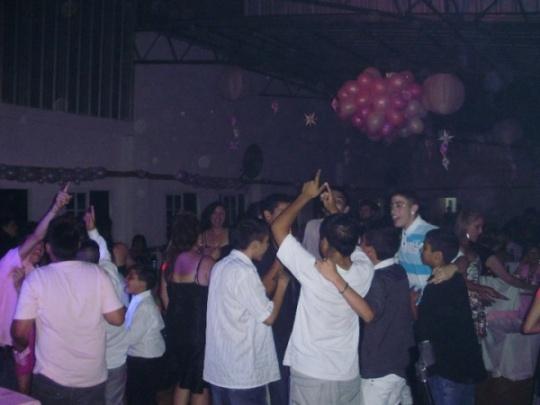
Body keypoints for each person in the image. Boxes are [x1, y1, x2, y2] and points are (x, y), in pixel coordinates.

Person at [271, 171, 374, 405]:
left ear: (324, 243)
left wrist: (305, 196)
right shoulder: (364, 269)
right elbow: (348, 237)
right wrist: (335, 211)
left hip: (313, 373)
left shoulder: (314, 271)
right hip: (347, 374)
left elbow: (278, 228)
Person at [11, 214, 125, 405]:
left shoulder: (37, 278)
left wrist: (22, 348)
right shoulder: (98, 274)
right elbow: (117, 319)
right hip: (91, 378)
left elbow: (19, 332)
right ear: (78, 245)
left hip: (51, 378)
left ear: (48, 248)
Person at [204, 218, 289, 405]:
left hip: (222, 366)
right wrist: (282, 285)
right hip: (242, 370)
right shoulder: (244, 271)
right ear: (255, 244)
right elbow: (268, 317)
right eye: (266, 242)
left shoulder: (220, 265)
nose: (267, 247)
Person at [0, 186, 71, 393]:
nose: (38, 249)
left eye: (41, 247)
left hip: (27, 345)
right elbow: (38, 235)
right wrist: (55, 208)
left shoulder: (38, 273)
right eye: (35, 245)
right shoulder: (10, 263)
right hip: (5, 347)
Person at [417, 229, 486, 405]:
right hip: (464, 363)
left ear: (437, 256)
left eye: (425, 247)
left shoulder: (436, 285)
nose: (421, 250)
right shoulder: (456, 279)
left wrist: (412, 303)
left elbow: (426, 327)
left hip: (446, 367)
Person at [160, 212, 214, 405]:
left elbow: (165, 300)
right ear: (196, 234)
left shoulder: (168, 264)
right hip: (199, 333)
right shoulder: (205, 262)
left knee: (183, 380)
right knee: (199, 384)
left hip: (176, 331)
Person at [359, 227, 415, 405]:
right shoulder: (399, 271)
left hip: (379, 368)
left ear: (370, 250)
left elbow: (370, 314)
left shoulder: (378, 279)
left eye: (361, 244)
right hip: (397, 362)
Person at [81, 206, 130, 405]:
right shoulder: (108, 267)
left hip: (107, 355)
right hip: (110, 354)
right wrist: (92, 229)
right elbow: (102, 251)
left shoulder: (87, 282)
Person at [256, 193, 297, 405]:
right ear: (267, 216)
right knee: (279, 387)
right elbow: (260, 292)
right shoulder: (260, 248)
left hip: (295, 327)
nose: (289, 216)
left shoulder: (296, 245)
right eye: (282, 212)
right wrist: (282, 256)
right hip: (273, 328)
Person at [125, 265, 166, 405]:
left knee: (141, 398)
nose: (126, 280)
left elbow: (130, 338)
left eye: (131, 277)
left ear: (143, 283)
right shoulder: (139, 300)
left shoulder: (145, 306)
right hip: (142, 358)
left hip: (145, 359)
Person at [390, 190, 437, 296]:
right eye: (392, 206)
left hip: (429, 299)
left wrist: (452, 268)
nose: (392, 211)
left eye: (398, 205)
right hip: (409, 300)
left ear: (413, 208)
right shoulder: (400, 235)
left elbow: (458, 258)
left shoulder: (430, 232)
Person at [302, 186, 349, 259]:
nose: (332, 203)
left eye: (338, 201)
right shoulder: (312, 225)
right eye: (328, 199)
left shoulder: (350, 229)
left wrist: (333, 211)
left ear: (346, 209)